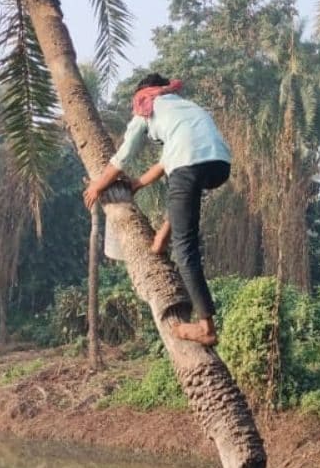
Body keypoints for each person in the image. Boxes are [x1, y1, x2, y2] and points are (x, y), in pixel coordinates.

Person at [83, 73, 232, 347]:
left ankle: (206, 327)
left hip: (188, 164)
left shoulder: (146, 106)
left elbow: (123, 155)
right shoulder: (183, 107)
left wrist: (96, 186)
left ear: (143, 94)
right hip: (219, 164)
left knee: (185, 249)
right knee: (183, 198)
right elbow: (166, 161)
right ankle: (160, 240)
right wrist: (138, 183)